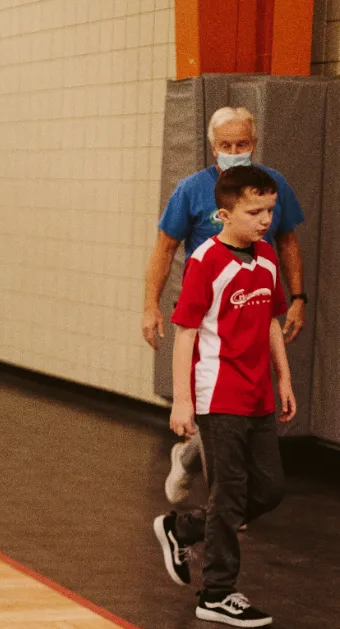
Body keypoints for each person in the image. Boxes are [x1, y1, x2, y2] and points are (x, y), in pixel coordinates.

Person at [141, 107, 307, 505]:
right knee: (212, 403)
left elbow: (287, 242)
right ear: (213, 147)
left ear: (254, 143)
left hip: (251, 306)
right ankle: (224, 509)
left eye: (242, 144)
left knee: (241, 406)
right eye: (226, 145)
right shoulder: (191, 189)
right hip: (205, 312)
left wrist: (297, 298)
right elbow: (165, 247)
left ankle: (202, 471)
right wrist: (151, 305)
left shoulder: (272, 185)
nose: (234, 150)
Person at [152, 165, 294, 628]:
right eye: (254, 211)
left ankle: (183, 527)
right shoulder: (206, 261)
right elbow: (186, 332)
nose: (264, 219)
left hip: (259, 396)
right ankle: (216, 592)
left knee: (269, 490)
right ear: (223, 213)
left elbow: (273, 321)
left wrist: (284, 379)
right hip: (218, 394)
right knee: (229, 493)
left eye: (270, 210)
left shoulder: (269, 256)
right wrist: (182, 399)